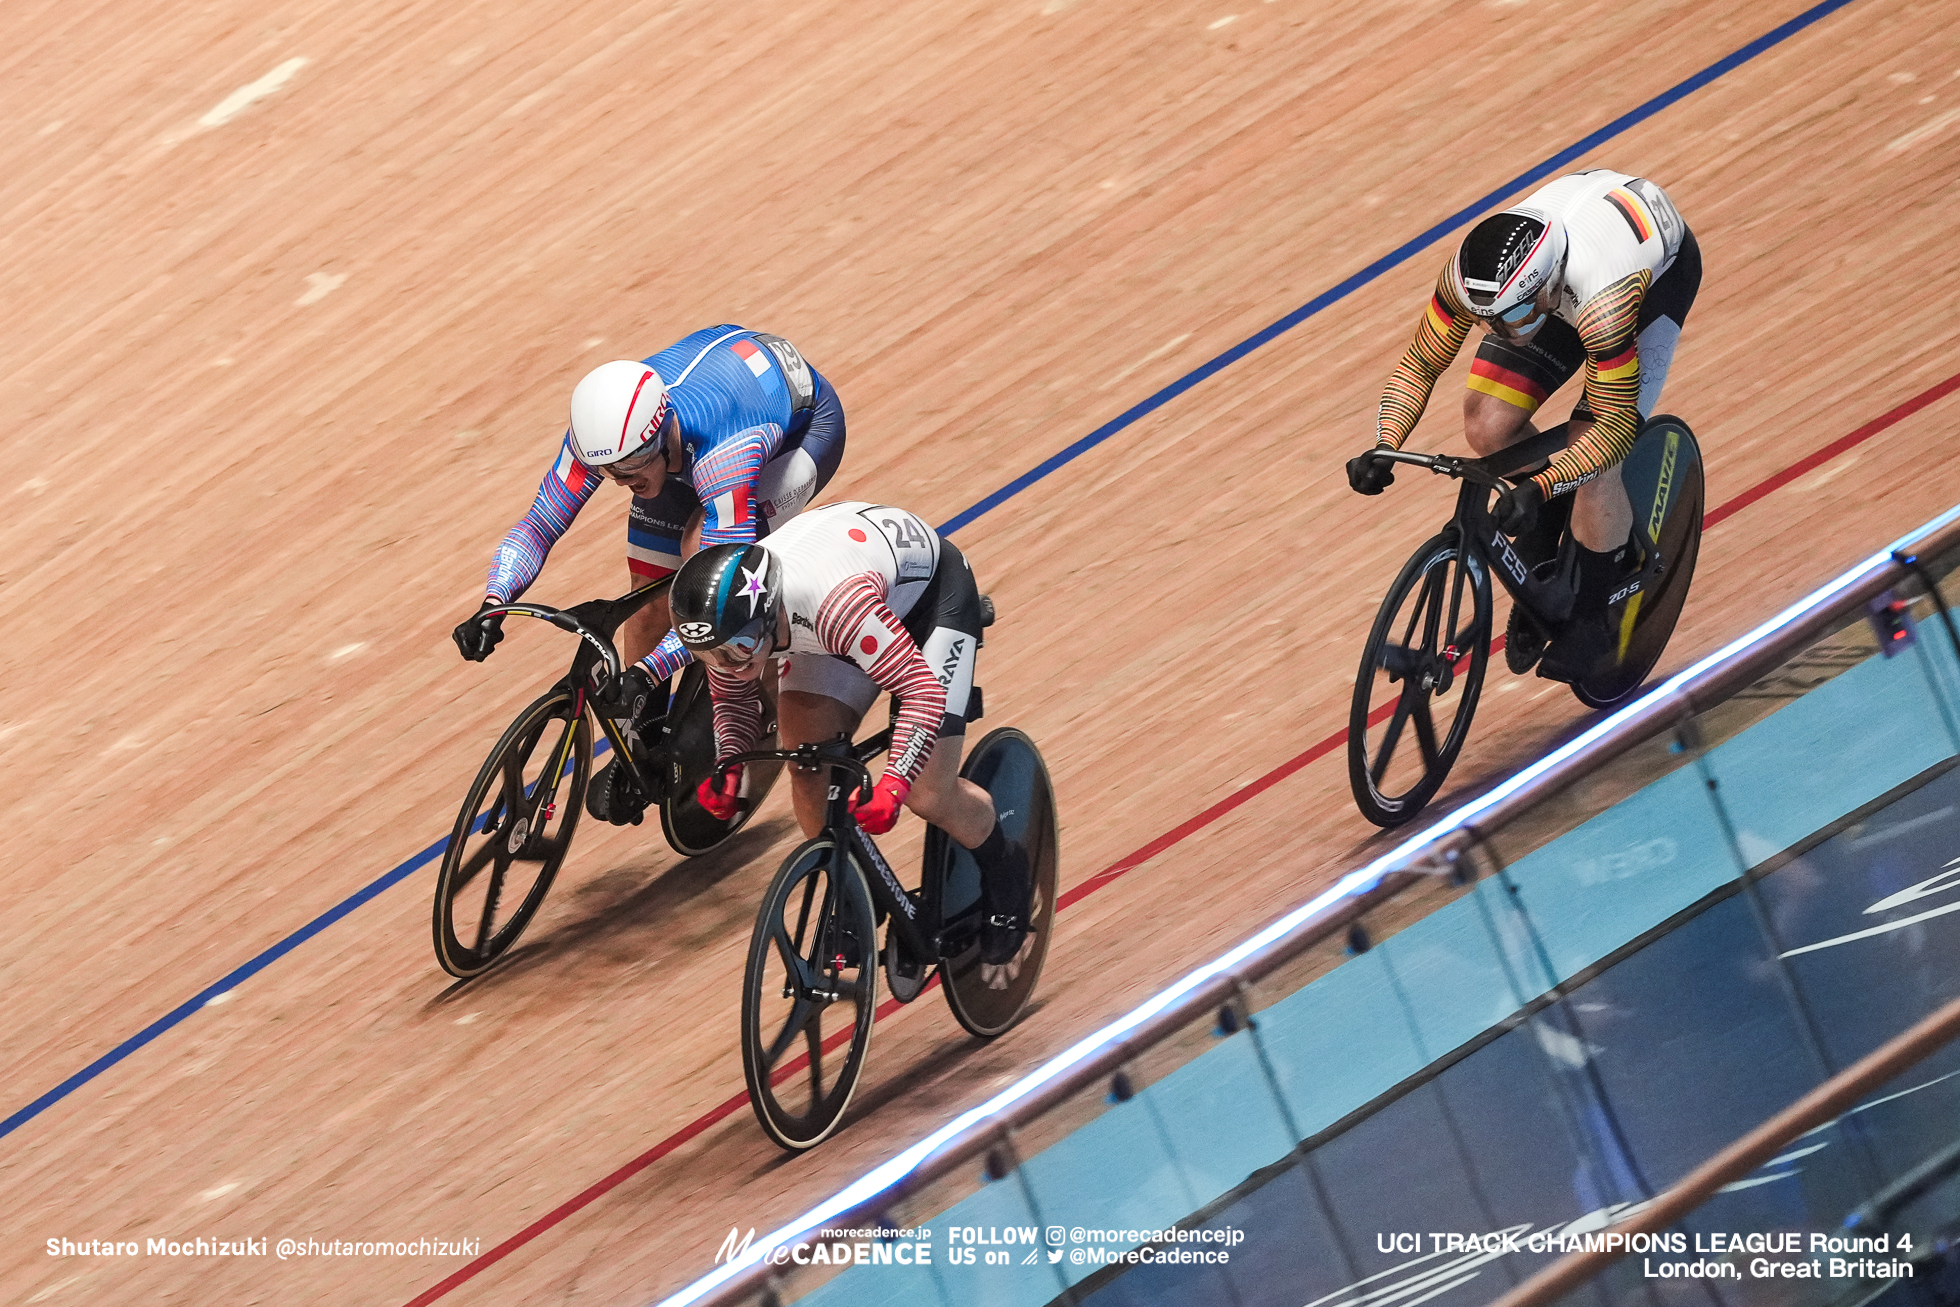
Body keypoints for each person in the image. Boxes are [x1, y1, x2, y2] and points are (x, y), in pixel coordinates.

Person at [450, 326, 846, 822]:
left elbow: (718, 601)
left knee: (706, 575)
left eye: (632, 464)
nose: (622, 481)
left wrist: (645, 671)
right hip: (697, 429)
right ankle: (643, 742)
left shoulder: (727, 453)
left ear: (659, 432)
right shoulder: (603, 439)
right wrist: (494, 601)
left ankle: (748, 701)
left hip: (798, 432)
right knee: (647, 600)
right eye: (609, 472)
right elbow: (539, 525)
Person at [1349, 169, 1700, 681]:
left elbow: (1615, 427)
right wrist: (1384, 444)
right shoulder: (1471, 279)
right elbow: (1420, 364)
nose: (1498, 332)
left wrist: (1541, 485)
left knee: (1595, 459)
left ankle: (1590, 618)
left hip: (1647, 290)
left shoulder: (1607, 303)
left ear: (1544, 288)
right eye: (1486, 318)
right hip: (1562, 285)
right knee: (1487, 426)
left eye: (1509, 317)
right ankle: (1547, 535)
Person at [667, 503, 1033, 966]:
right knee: (806, 765)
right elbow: (735, 702)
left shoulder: (836, 609)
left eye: (739, 650)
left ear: (763, 618)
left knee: (928, 793)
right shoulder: (728, 630)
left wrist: (895, 782)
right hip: (832, 615)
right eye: (711, 655)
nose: (728, 665)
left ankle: (1007, 872)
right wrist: (730, 765)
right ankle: (856, 895)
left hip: (929, 602)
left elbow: (921, 691)